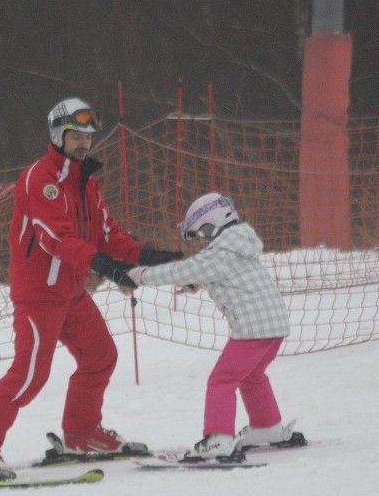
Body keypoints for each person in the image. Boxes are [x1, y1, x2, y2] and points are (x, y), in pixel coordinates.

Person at [0, 98, 182, 480]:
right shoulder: (38, 179)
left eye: (88, 136)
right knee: (29, 376)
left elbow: (109, 235)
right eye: (76, 135)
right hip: (39, 296)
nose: (84, 143)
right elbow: (55, 240)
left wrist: (152, 256)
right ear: (58, 135)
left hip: (71, 293)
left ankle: (82, 434)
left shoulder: (86, 184)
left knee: (101, 356)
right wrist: (105, 267)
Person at [126, 192, 301, 459]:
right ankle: (267, 426)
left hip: (253, 330)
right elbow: (225, 274)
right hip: (274, 327)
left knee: (222, 380)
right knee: (252, 377)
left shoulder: (221, 252)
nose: (204, 240)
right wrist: (197, 283)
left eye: (202, 233)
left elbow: (183, 270)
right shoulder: (240, 245)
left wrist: (142, 276)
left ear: (211, 224)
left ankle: (219, 438)